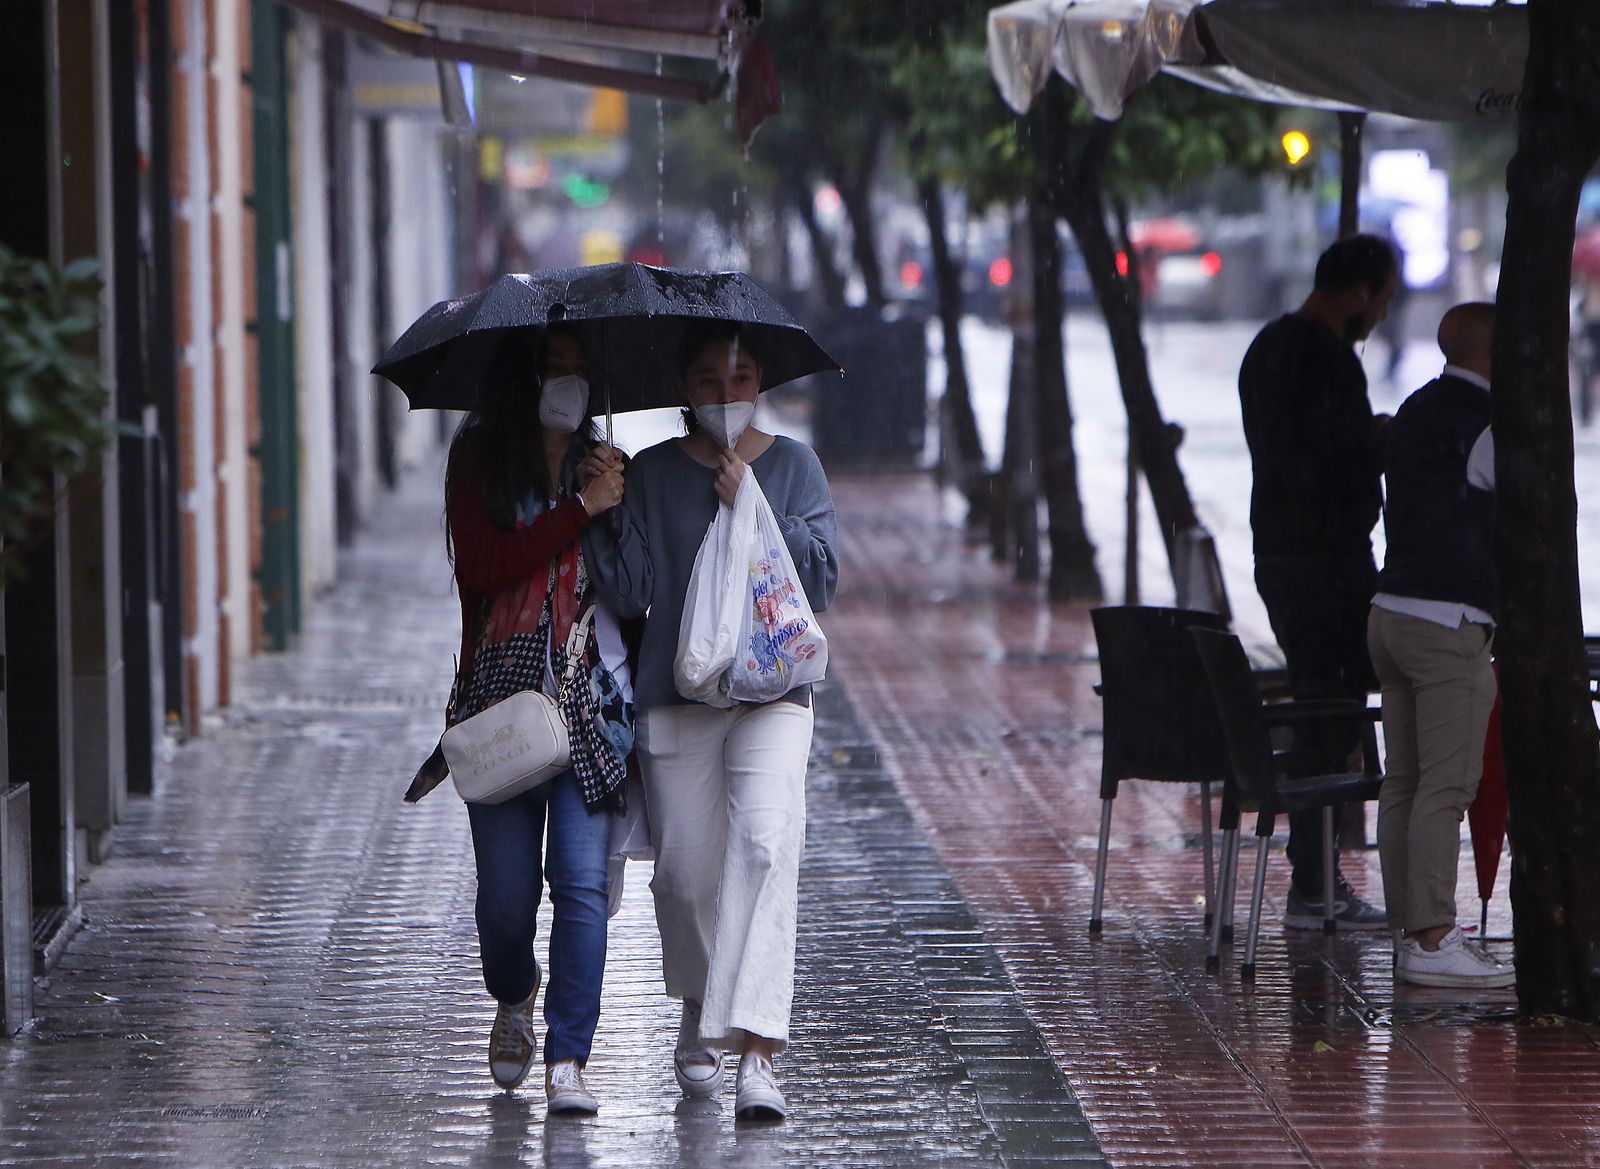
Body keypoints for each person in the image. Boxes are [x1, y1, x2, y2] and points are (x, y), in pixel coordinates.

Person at [584, 321, 839, 1122]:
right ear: (683, 389)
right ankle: (699, 1000)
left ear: (761, 380)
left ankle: (759, 1049)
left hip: (774, 695)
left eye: (740, 379)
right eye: (707, 381)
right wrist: (607, 509)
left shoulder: (794, 465)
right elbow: (629, 595)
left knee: (768, 843)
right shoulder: (654, 472)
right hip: (676, 695)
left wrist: (758, 507)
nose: (726, 397)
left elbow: (824, 578)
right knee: (686, 874)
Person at [443, 325, 632, 1111]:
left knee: (583, 885)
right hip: (501, 703)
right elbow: (485, 566)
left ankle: (569, 1057)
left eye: (582, 372)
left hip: (594, 706)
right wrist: (575, 511)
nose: (569, 385)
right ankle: (514, 993)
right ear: (523, 380)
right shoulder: (481, 461)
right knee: (505, 904)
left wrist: (617, 507)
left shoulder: (610, 470)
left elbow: (636, 587)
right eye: (555, 370)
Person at [1238, 233, 1398, 930]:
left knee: (1318, 698)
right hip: (1328, 561)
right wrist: (1382, 440)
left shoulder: (1267, 346)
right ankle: (1313, 880)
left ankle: (1316, 873)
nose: (1383, 315)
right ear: (1359, 292)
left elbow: (1291, 450)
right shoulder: (1329, 360)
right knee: (1328, 710)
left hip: (1277, 553)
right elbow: (1335, 460)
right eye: (1384, 300)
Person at [1368, 302, 1512, 988]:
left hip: (1389, 611)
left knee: (1404, 779)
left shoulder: (1417, 408)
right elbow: (1521, 516)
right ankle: (1431, 938)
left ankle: (1410, 929)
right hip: (1447, 619)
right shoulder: (1489, 424)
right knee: (1446, 783)